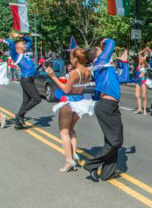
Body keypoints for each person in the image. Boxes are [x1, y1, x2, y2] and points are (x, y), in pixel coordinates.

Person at [45, 48, 94, 172]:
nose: (70, 60)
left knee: (64, 131)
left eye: (71, 58)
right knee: (71, 129)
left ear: (75, 59)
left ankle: (69, 160)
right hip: (81, 101)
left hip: (69, 102)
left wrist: (52, 76)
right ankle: (73, 154)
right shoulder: (88, 71)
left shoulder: (74, 73)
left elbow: (66, 89)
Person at [83, 38, 123, 182]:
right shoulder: (100, 61)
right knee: (116, 142)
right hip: (107, 106)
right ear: (97, 55)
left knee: (112, 141)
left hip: (108, 106)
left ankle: (107, 172)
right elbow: (112, 42)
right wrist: (105, 40)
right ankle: (91, 164)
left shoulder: (102, 65)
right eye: (100, 50)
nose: (103, 50)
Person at [2, 32, 41, 129]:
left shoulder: (26, 52)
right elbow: (11, 43)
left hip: (30, 79)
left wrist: (20, 36)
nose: (25, 45)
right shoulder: (16, 55)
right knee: (37, 99)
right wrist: (2, 40)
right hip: (26, 79)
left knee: (26, 101)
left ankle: (18, 124)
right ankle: (19, 115)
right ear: (18, 47)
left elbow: (30, 40)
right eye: (22, 44)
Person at [134, 47, 149, 115]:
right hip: (138, 80)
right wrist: (145, 49)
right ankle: (139, 108)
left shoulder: (146, 65)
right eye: (139, 58)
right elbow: (139, 53)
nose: (139, 59)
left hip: (143, 80)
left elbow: (145, 60)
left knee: (144, 96)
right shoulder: (139, 64)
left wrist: (147, 53)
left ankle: (144, 110)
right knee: (137, 95)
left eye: (141, 58)